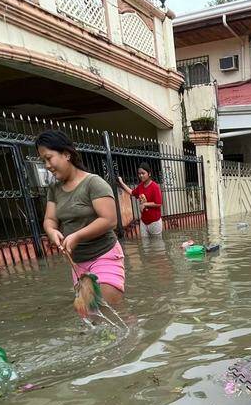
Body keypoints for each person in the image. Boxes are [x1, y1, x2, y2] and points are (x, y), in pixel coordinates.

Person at [37, 130, 124, 306]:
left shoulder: (93, 183)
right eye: (43, 161)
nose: (46, 165)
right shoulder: (54, 188)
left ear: (66, 154)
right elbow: (50, 219)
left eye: (49, 158)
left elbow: (109, 220)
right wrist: (52, 231)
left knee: (108, 311)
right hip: (77, 262)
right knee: (90, 316)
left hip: (104, 255)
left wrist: (77, 236)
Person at [117, 162, 163, 237]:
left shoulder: (155, 187)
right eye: (139, 174)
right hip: (144, 221)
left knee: (156, 245)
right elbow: (132, 193)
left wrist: (145, 204)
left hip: (154, 221)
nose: (141, 175)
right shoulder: (140, 186)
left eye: (143, 173)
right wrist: (122, 183)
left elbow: (158, 203)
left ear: (149, 174)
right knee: (145, 245)